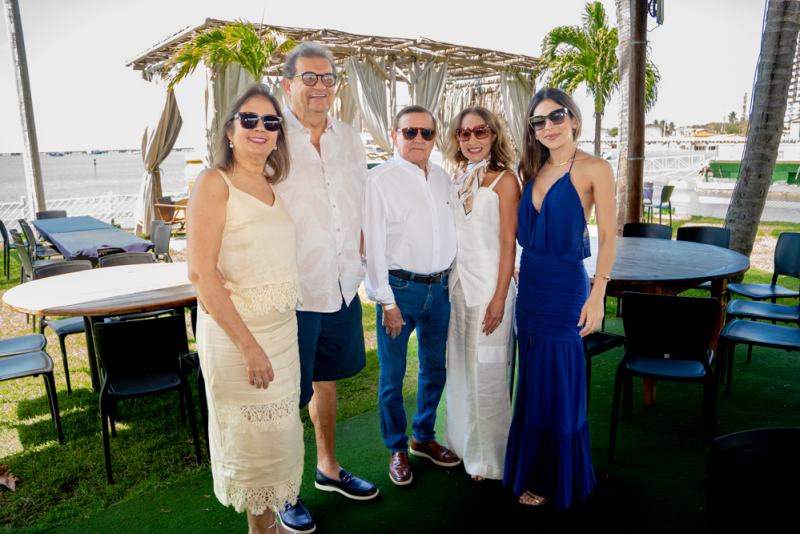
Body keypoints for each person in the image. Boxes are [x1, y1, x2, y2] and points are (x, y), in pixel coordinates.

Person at [188, 84, 302, 534]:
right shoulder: (214, 182)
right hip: (240, 340)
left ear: (278, 134)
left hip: (282, 334)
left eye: (271, 121)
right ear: (230, 130)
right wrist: (250, 347)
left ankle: (271, 526)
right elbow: (200, 274)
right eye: (249, 119)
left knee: (279, 441)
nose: (261, 128)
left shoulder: (269, 182)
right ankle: (262, 530)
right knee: (255, 450)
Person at [275, 42, 378, 532]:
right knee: (285, 395)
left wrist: (360, 264)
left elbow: (357, 205)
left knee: (327, 379)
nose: (320, 86)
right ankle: (283, 490)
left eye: (327, 77)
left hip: (340, 285)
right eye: (309, 77)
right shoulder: (269, 137)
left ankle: (328, 469)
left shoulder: (350, 138)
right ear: (287, 84)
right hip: (291, 290)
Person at [503, 88, 616, 508]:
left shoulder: (594, 169)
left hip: (567, 287)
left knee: (560, 380)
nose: (548, 126)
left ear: (573, 119)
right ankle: (531, 470)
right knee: (531, 379)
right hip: (529, 286)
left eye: (556, 117)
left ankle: (555, 477)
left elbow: (607, 236)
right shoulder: (529, 170)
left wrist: (598, 292)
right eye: (538, 122)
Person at [363, 105, 461, 486]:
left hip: (439, 291)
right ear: (394, 135)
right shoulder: (380, 180)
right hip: (399, 293)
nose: (418, 139)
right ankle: (397, 448)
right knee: (392, 375)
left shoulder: (443, 178)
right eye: (409, 132)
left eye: (426, 132)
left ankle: (424, 436)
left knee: (435, 368)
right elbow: (372, 247)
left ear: (435, 137)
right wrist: (386, 303)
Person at [442, 107, 520, 482]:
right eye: (464, 133)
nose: (472, 139)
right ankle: (460, 445)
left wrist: (500, 297)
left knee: (486, 372)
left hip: (491, 286)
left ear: (493, 135)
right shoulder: (455, 177)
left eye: (480, 131)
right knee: (459, 369)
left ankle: (489, 458)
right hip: (458, 287)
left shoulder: (505, 181)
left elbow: (508, 243)